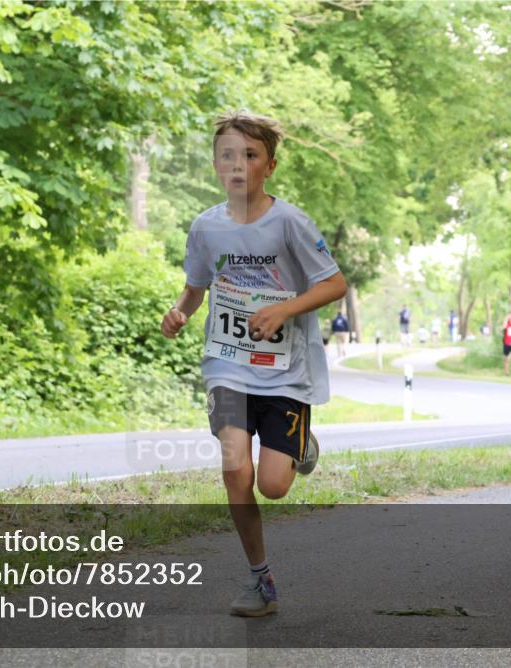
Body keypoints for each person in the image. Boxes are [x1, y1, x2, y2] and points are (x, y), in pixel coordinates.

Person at [160, 110, 346, 618]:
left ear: (270, 165)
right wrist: (179, 312)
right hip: (228, 364)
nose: (237, 164)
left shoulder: (290, 222)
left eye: (249, 155)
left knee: (274, 485)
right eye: (227, 155)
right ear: (216, 166)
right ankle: (260, 581)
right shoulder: (205, 227)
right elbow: (195, 288)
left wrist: (284, 308)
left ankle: (300, 441)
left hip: (285, 369)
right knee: (235, 469)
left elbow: (334, 284)